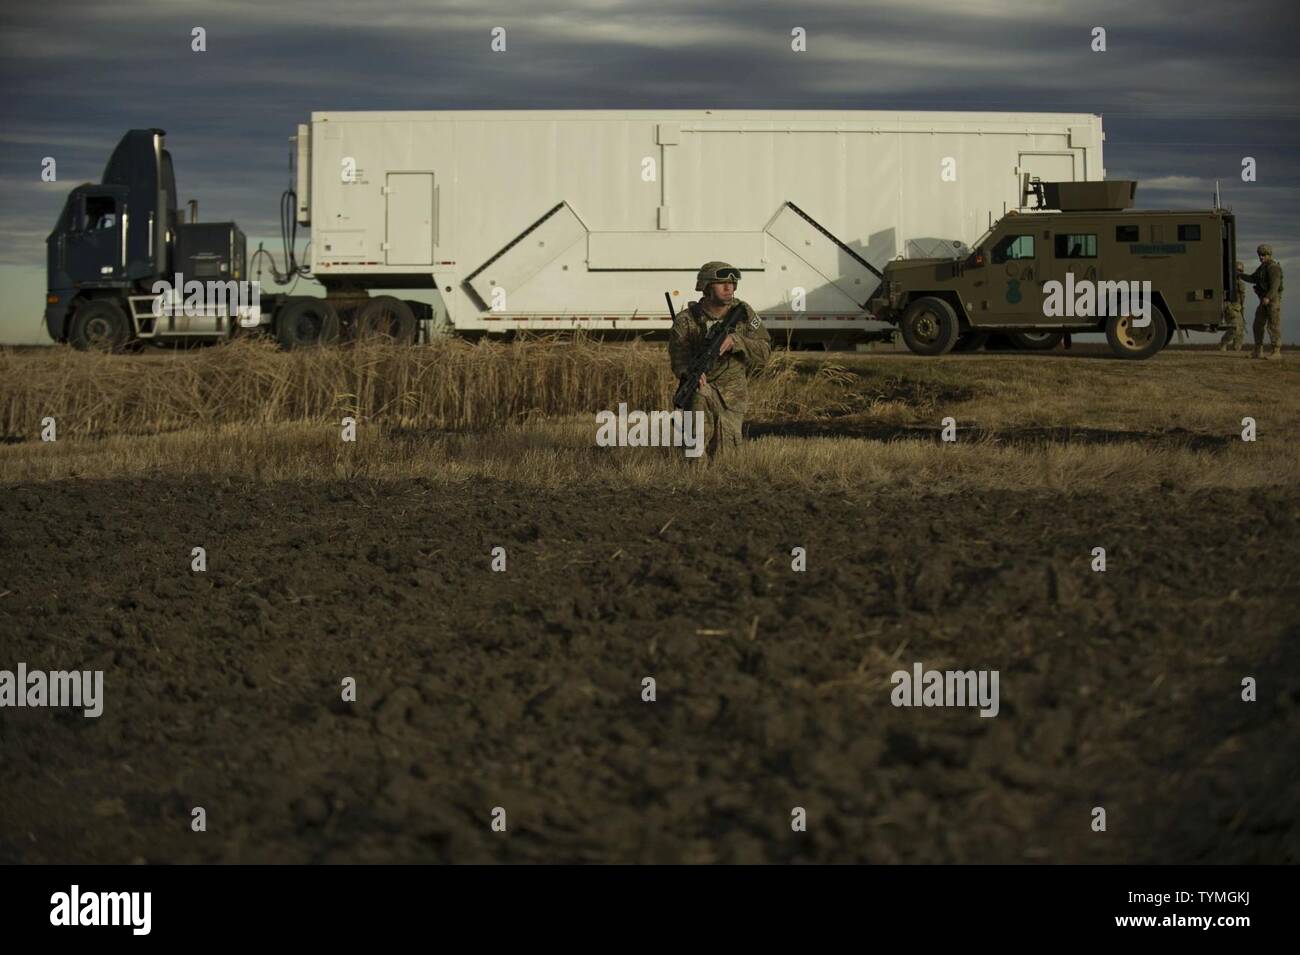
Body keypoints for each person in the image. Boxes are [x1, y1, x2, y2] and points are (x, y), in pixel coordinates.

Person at [668, 261, 771, 459]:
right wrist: (688, 374)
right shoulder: (685, 320)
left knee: (727, 457)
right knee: (694, 451)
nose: (728, 288)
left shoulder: (744, 313)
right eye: (721, 283)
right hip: (700, 386)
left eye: (732, 284)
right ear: (706, 287)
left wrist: (737, 341)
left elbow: (765, 352)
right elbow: (678, 360)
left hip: (732, 392)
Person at [1241, 244, 1284, 359]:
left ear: (1269, 255)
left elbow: (1275, 285)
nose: (1261, 257)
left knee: (1273, 325)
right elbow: (1252, 278)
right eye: (1260, 255)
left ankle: (1276, 351)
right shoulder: (1262, 268)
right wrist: (1240, 275)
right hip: (1264, 300)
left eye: (1263, 255)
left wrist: (1268, 297)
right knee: (1258, 325)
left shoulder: (1273, 267)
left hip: (1272, 300)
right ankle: (1258, 350)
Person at [1219, 261, 1246, 351]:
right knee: (1234, 327)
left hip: (1238, 308)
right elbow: (1223, 296)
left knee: (1240, 330)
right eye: (1237, 270)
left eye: (1241, 271)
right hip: (1230, 308)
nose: (1239, 272)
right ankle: (1223, 343)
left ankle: (1237, 349)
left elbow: (1242, 298)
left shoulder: (1241, 283)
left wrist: (1242, 309)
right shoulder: (1227, 282)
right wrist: (1228, 307)